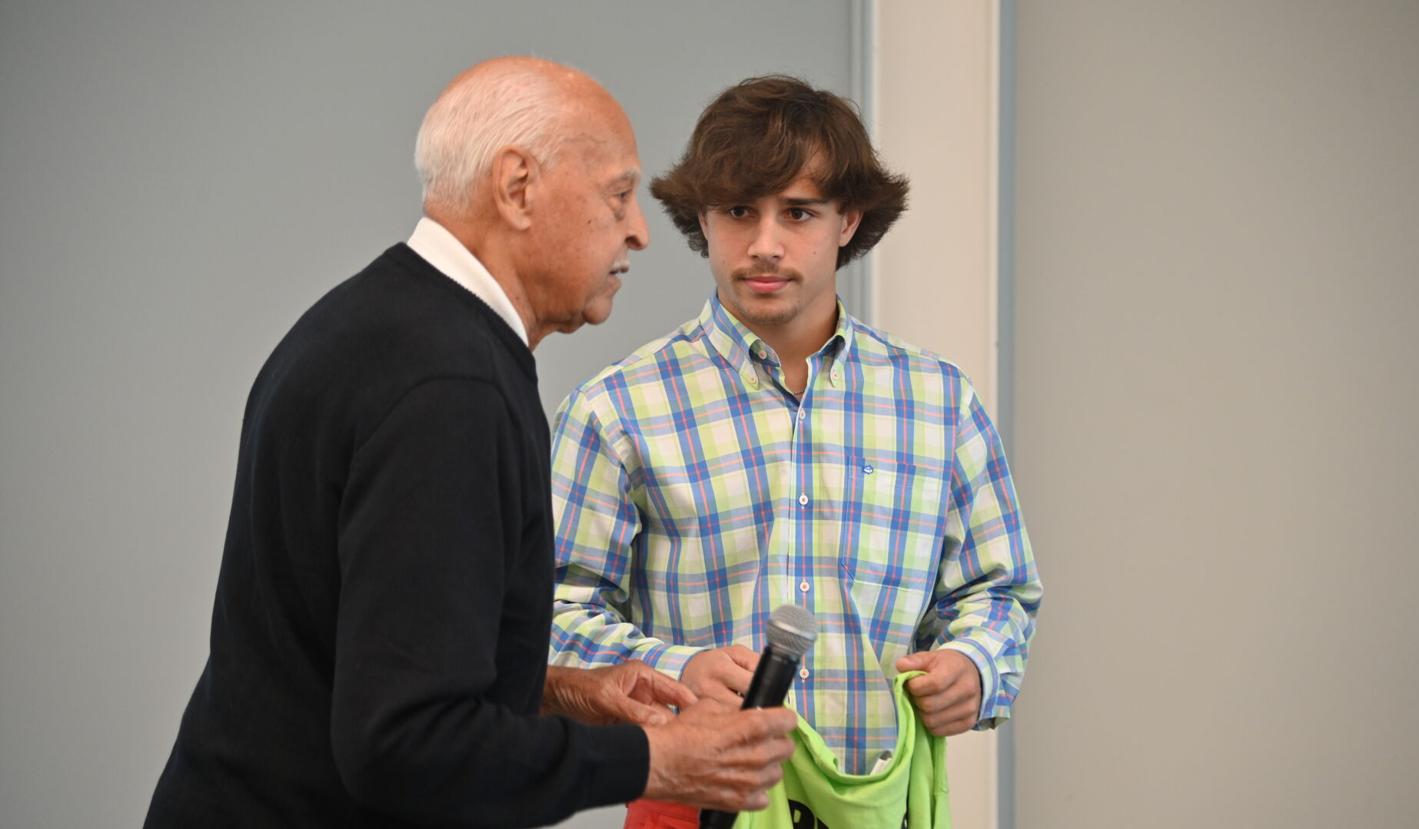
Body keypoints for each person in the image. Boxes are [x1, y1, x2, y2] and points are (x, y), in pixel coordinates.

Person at [144, 57, 796, 829]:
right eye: (618, 193)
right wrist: (659, 759)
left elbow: (368, 656)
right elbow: (406, 743)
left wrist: (559, 689)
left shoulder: (372, 324)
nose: (640, 230)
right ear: (518, 188)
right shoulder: (450, 390)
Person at [547, 75, 1043, 827]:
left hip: (882, 804)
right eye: (740, 211)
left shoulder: (940, 403)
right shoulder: (615, 410)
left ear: (849, 220)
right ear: (701, 220)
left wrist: (976, 664)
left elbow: (998, 592)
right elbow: (552, 613)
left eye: (799, 212)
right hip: (696, 808)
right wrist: (677, 670)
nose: (766, 243)